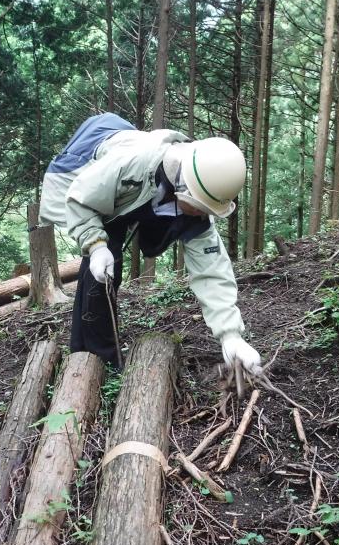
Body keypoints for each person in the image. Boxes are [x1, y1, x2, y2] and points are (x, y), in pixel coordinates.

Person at [39, 112, 261, 372]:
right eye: (201, 207)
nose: (203, 215)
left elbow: (211, 269)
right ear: (184, 188)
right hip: (99, 167)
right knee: (105, 271)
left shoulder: (201, 183)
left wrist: (231, 336)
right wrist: (96, 246)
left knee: (142, 241)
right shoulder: (126, 167)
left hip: (143, 188)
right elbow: (80, 199)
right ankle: (93, 359)